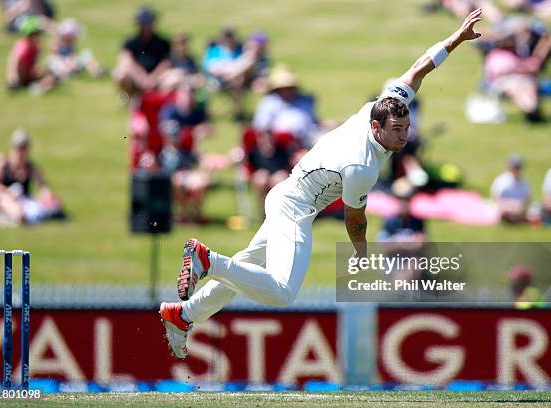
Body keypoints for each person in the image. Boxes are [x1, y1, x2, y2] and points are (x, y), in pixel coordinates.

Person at [159, 9, 484, 359]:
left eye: (406, 129)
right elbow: (355, 219)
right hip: (296, 208)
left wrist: (455, 40)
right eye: (397, 130)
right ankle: (208, 262)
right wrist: (361, 253)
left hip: (285, 193)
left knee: (247, 268)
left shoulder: (384, 104)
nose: (404, 137)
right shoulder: (362, 166)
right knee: (282, 292)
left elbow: (419, 68)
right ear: (377, 128)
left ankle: (184, 314)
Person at [157, 84, 213, 223]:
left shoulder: (197, 113)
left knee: (203, 180)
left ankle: (196, 213)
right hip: (172, 171)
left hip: (188, 167)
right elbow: (166, 129)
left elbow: (208, 129)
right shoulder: (169, 112)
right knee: (176, 182)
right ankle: (184, 213)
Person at [0, 129, 64, 224]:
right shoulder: (3, 162)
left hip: (24, 200)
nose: (21, 151)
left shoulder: (31, 167)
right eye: (19, 147)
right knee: (14, 210)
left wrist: (48, 196)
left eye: (24, 147)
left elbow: (43, 186)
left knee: (46, 206)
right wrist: (9, 191)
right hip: (3, 197)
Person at [252, 65, 321, 149]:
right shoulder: (269, 103)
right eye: (284, 88)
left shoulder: (304, 102)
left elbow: (315, 121)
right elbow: (261, 126)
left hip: (308, 137)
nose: (287, 91)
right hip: (280, 144)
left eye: (289, 88)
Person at [113, 6, 171, 99]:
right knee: (120, 75)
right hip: (136, 79)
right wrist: (142, 78)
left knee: (175, 78)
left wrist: (153, 78)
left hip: (158, 79)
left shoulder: (163, 42)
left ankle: (161, 102)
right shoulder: (130, 42)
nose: (146, 26)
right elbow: (126, 60)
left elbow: (167, 62)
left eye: (149, 23)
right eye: (144, 23)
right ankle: (130, 98)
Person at [6, 16, 45, 89]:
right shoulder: (23, 46)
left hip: (29, 73)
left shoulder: (36, 47)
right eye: (34, 34)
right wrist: (12, 78)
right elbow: (13, 62)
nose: (36, 37)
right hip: (20, 75)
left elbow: (35, 63)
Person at [490, 154, 532, 223]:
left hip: (519, 209)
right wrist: (510, 205)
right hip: (505, 207)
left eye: (519, 167)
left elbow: (528, 200)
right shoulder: (501, 181)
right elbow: (496, 199)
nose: (517, 170)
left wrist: (519, 207)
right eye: (515, 167)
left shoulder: (524, 182)